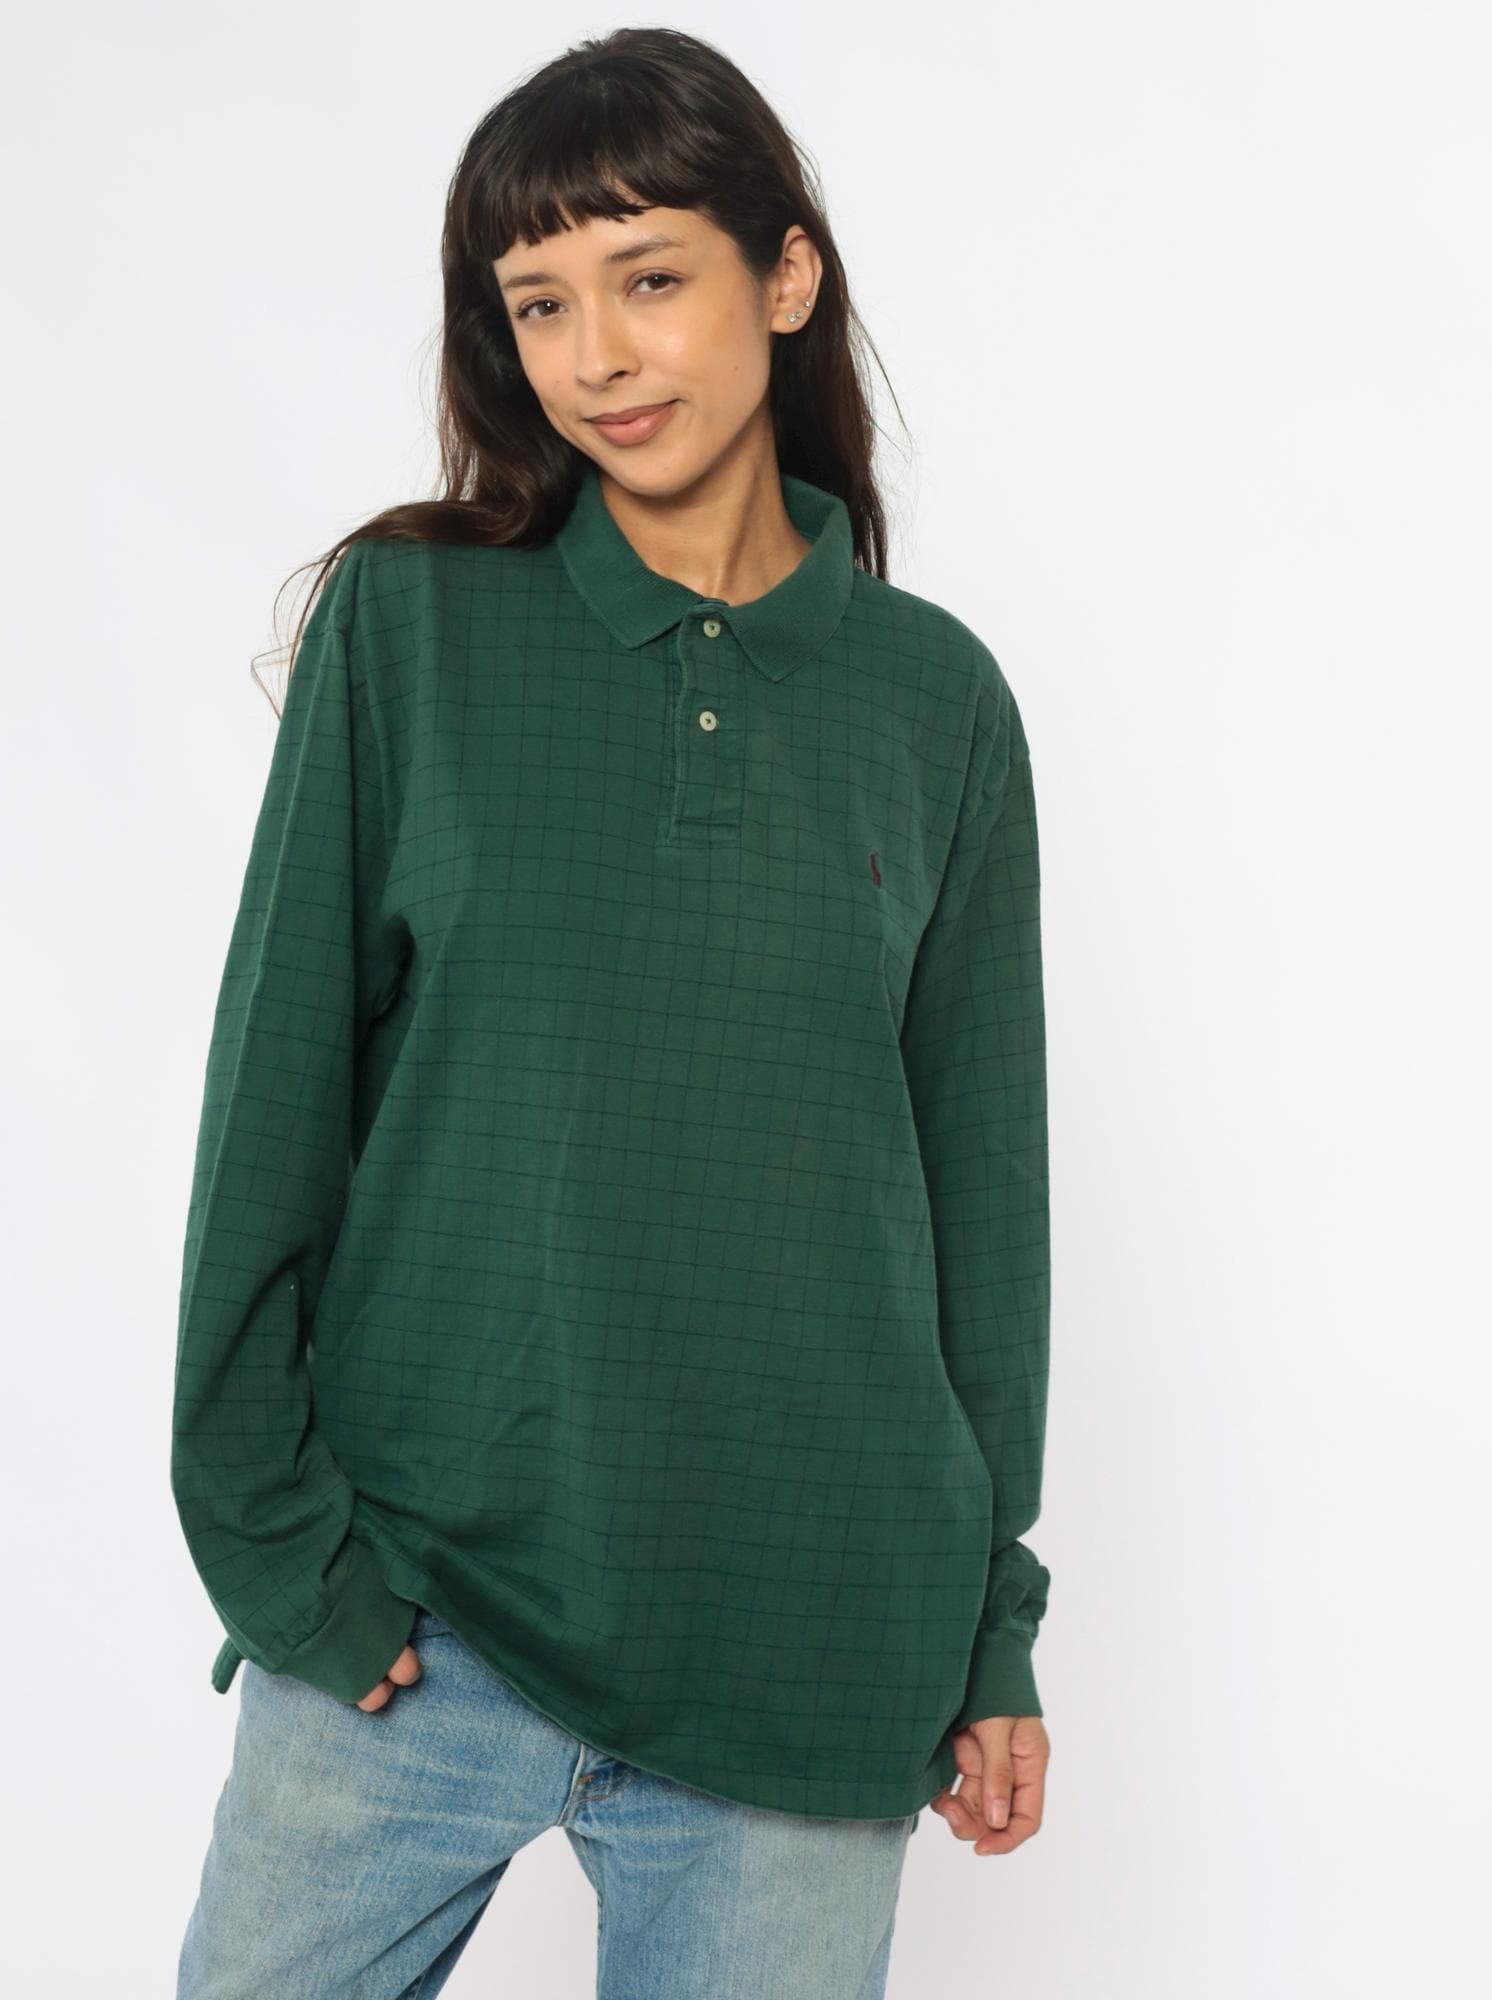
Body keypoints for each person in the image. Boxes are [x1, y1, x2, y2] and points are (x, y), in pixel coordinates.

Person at [171, 25, 1053, 1999]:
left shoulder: (937, 705)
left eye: (649, 277)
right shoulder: (410, 633)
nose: (597, 355)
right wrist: (282, 1556)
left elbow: (983, 1215)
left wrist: (990, 1629)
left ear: (786, 275)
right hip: (421, 1614)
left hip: (810, 1643)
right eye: (541, 302)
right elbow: (271, 1112)